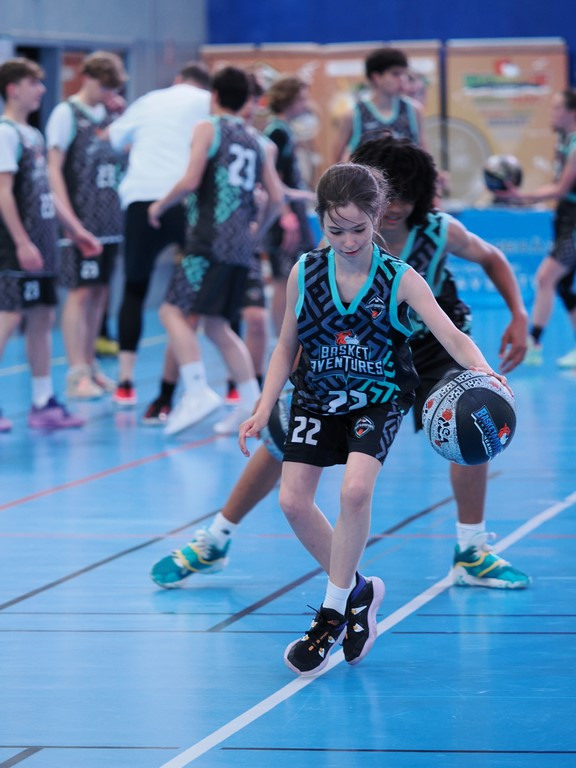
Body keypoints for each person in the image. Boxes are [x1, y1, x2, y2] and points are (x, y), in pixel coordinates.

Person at [150, 138, 530, 594]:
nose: (391, 214)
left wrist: (519, 315)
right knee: (282, 431)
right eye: (386, 203)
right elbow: (306, 320)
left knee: (470, 416)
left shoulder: (439, 231)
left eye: (401, 204)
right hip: (359, 352)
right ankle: (217, 537)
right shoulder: (332, 244)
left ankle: (471, 549)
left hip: (433, 350)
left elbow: (493, 259)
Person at [237, 161, 510, 676]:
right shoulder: (304, 272)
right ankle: (358, 590)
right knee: (293, 502)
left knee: (355, 492)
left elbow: (452, 337)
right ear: (321, 219)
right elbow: (285, 346)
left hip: (377, 398)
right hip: (316, 396)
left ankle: (331, 614)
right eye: (335, 229)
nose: (347, 241)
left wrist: (486, 373)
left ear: (378, 218)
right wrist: (262, 406)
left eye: (358, 229)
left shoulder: (399, 278)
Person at [147, 66, 283, 437]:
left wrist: (159, 206)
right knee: (216, 324)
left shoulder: (209, 127)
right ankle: (250, 404)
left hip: (208, 239)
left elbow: (191, 180)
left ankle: (196, 390)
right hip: (240, 247)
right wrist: (256, 232)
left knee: (171, 311)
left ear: (215, 96)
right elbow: (276, 197)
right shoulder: (257, 141)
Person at [0, 57, 101, 432]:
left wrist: (76, 230)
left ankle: (43, 402)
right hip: (15, 247)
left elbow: (46, 192)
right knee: (8, 318)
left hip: (44, 245)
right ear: (13, 89)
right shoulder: (5, 133)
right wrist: (22, 241)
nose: (42, 90)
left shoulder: (33, 135)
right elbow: (3, 192)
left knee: (43, 318)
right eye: (34, 83)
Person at [107, 61, 211, 407]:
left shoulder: (148, 100)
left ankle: (125, 383)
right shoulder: (208, 102)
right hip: (184, 199)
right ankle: (226, 385)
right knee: (199, 288)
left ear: (178, 79)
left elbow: (113, 140)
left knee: (134, 289)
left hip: (141, 197)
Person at [46, 51, 127, 399]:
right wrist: (70, 219)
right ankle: (76, 371)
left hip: (111, 220)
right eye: (104, 86)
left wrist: (123, 115)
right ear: (88, 78)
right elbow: (52, 169)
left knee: (100, 292)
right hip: (80, 220)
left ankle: (91, 364)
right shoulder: (66, 113)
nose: (107, 93)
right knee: (80, 293)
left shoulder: (112, 114)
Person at [496, 89, 576, 368]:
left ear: (571, 112)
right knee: (563, 284)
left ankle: (533, 342)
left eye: (557, 108)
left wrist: (520, 197)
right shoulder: (564, 142)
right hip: (565, 217)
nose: (552, 114)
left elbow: (561, 189)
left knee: (545, 277)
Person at [263, 76, 316, 335]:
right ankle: (280, 339)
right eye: (302, 99)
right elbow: (272, 178)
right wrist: (286, 216)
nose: (306, 104)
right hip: (284, 217)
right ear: (289, 100)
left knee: (298, 277)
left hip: (293, 211)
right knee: (283, 281)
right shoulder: (277, 132)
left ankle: (294, 334)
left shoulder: (285, 130)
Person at [333, 47, 427, 163]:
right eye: (395, 74)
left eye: (404, 74)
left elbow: (425, 156)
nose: (402, 79)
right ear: (376, 77)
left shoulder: (414, 111)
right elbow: (336, 162)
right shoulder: (353, 115)